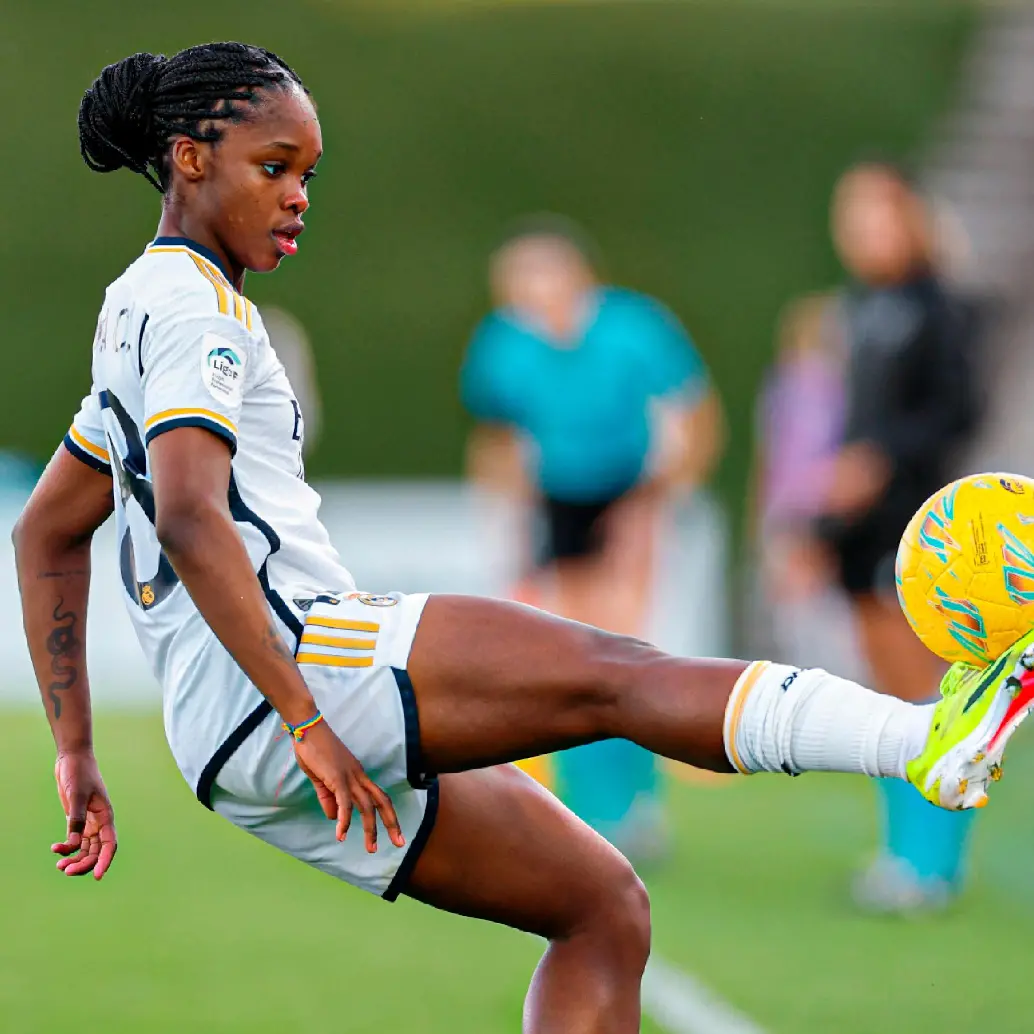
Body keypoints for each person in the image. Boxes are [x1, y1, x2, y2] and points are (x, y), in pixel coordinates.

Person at [15, 44, 1028, 1032]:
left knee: (599, 906)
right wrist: (305, 716)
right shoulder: (196, 312)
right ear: (188, 158)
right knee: (614, 673)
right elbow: (190, 515)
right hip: (298, 672)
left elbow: (45, 529)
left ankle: (918, 744)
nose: (297, 196)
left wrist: (76, 753)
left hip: (219, 736)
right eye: (273, 167)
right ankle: (920, 739)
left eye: (308, 174)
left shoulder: (133, 310)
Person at [461, 220, 723, 860]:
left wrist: (655, 503)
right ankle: (581, 811)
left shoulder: (634, 328)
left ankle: (640, 807)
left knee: (622, 646)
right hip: (557, 499)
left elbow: (698, 418)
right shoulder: (504, 343)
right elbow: (497, 438)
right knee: (568, 654)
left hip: (631, 490)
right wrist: (510, 519)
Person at [815, 160, 983, 913]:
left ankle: (930, 861)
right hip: (861, 521)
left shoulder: (938, 305)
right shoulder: (861, 307)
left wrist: (882, 461)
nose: (862, 232)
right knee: (885, 694)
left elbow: (957, 412)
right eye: (850, 217)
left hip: (916, 521)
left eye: (876, 215)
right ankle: (899, 853)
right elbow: (854, 421)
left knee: (925, 692)